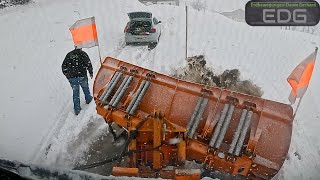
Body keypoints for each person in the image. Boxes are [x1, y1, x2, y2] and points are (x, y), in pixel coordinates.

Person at [62, 46, 93, 115]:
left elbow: (63, 66)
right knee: (85, 88)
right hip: (82, 76)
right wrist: (91, 72)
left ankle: (77, 109)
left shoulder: (69, 54)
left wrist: (68, 75)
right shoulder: (83, 54)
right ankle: (88, 100)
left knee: (75, 93)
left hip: (72, 78)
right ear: (81, 47)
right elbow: (88, 64)